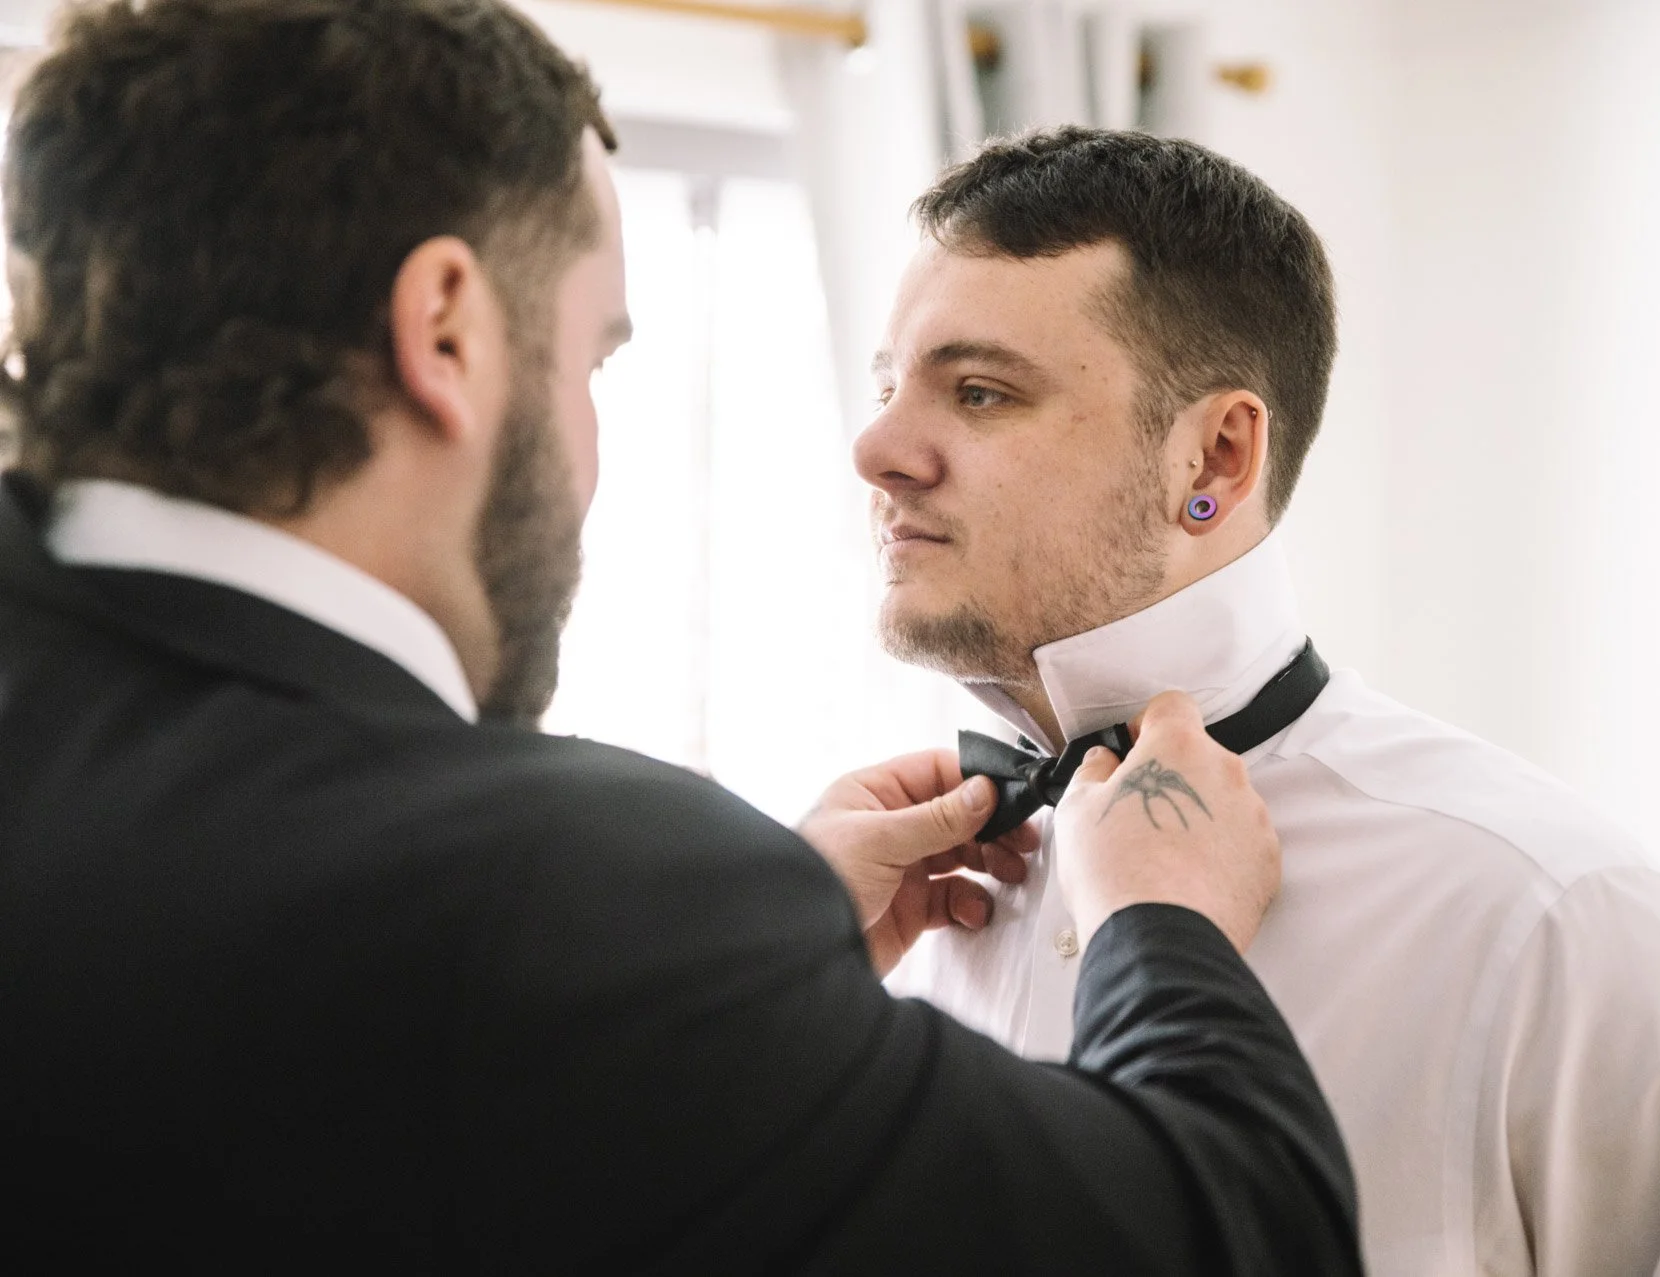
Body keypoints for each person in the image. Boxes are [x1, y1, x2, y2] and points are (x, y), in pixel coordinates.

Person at [0, 3, 1365, 1270]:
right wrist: (1165, 928)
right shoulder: (572, 905)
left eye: (983, 391)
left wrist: (754, 989)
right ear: (446, 332)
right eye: (592, 356)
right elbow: (1238, 1231)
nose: (876, 449)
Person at [867, 126, 1660, 1276]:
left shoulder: (1561, 928)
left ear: (1215, 459)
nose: (877, 447)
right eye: (886, 388)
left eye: (979, 391)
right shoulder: (879, 922)